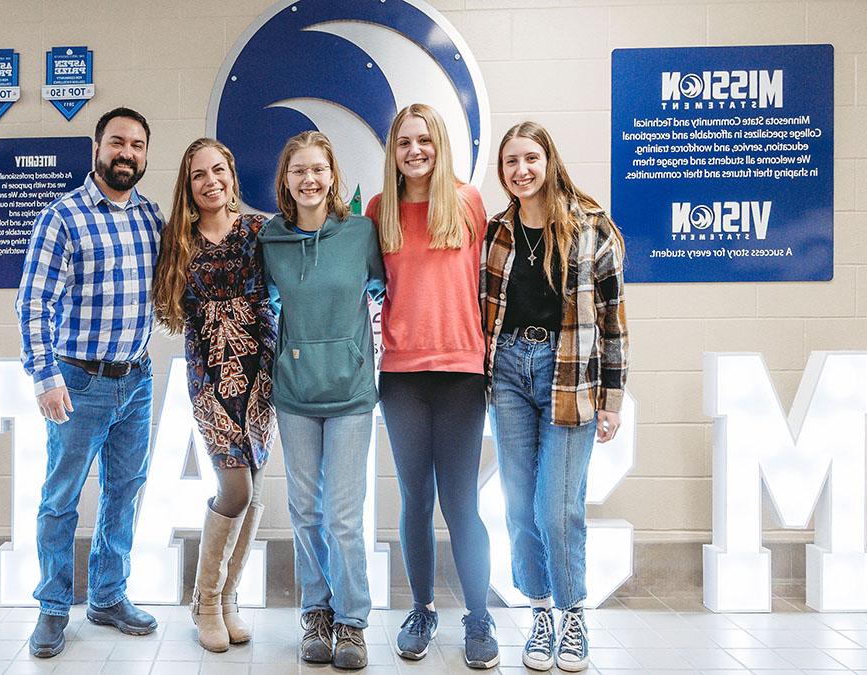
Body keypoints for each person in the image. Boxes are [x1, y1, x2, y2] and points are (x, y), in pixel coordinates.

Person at [16, 107, 164, 658]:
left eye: (138, 145)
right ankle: (53, 608)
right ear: (97, 148)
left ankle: (107, 595)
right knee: (61, 499)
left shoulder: (151, 217)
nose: (127, 153)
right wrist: (45, 376)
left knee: (124, 494)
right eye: (118, 142)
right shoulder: (64, 217)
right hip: (78, 382)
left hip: (138, 379)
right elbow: (33, 302)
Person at [481, 121, 628, 672]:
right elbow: (483, 314)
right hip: (511, 374)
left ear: (549, 160)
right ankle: (539, 612)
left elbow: (613, 322)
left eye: (530, 158)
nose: (521, 170)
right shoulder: (497, 233)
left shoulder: (592, 228)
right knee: (518, 506)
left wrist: (612, 399)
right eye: (511, 162)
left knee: (558, 508)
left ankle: (573, 617)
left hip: (569, 376)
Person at [365, 103, 498, 670]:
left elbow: (488, 283)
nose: (414, 151)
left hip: (462, 372)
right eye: (403, 143)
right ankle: (420, 608)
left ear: (439, 145)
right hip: (401, 376)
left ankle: (478, 617)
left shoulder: (467, 203)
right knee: (416, 500)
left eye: (424, 140)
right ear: (392, 153)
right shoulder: (379, 211)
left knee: (461, 503)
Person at [259, 131, 385, 670]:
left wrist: (361, 350)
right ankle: (316, 612)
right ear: (285, 181)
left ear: (332, 175)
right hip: (294, 394)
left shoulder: (361, 233)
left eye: (318, 169)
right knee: (304, 511)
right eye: (298, 171)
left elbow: (381, 291)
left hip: (352, 394)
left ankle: (352, 623)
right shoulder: (270, 240)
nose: (309, 180)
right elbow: (260, 303)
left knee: (343, 516)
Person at [152, 138, 277, 653]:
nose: (211, 181)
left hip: (261, 370)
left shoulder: (258, 231)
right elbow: (165, 305)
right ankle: (204, 601)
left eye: (218, 170)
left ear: (231, 175)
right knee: (236, 489)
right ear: (189, 183)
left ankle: (229, 600)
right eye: (199, 173)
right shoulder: (178, 239)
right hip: (211, 373)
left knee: (254, 487)